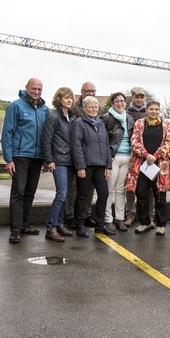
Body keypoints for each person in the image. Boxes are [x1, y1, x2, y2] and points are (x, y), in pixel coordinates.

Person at [2, 77, 49, 244]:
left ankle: (24, 224)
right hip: (20, 156)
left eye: (39, 89)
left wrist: (46, 158)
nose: (36, 92)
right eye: (33, 88)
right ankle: (15, 230)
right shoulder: (16, 106)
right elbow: (7, 133)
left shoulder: (44, 109)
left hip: (37, 158)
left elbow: (46, 136)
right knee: (18, 192)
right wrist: (9, 159)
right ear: (26, 88)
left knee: (30, 192)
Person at [125, 100, 170, 235]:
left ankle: (161, 224)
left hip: (160, 165)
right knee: (141, 194)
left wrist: (156, 155)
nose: (154, 112)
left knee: (160, 194)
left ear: (160, 111)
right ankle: (144, 222)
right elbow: (134, 142)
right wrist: (146, 155)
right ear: (146, 110)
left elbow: (169, 142)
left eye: (156, 109)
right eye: (151, 109)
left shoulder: (166, 124)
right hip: (142, 164)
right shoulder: (139, 123)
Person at [70, 96, 113, 238]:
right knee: (82, 195)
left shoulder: (100, 123)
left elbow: (106, 145)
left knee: (104, 194)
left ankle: (100, 226)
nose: (94, 109)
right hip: (86, 166)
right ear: (84, 108)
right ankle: (80, 225)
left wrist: (108, 165)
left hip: (100, 166)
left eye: (95, 106)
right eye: (90, 106)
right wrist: (80, 166)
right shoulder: (79, 123)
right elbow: (76, 146)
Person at [41, 87, 76, 242]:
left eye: (71, 98)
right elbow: (46, 140)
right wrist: (49, 160)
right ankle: (51, 228)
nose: (69, 100)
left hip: (70, 161)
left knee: (66, 194)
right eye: (66, 97)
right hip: (58, 161)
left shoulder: (71, 116)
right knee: (61, 193)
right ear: (59, 100)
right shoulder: (53, 117)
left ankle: (60, 224)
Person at [66, 81, 99, 229]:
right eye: (88, 91)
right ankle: (71, 215)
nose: (91, 93)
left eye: (93, 91)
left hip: (92, 157)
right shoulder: (73, 107)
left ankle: (85, 215)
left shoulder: (99, 108)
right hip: (76, 155)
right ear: (81, 91)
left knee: (89, 188)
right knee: (74, 188)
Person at [102, 92, 135, 234]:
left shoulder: (129, 118)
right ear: (112, 103)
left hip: (127, 157)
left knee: (121, 190)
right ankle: (108, 219)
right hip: (113, 157)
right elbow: (102, 140)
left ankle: (120, 218)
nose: (120, 103)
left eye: (122, 101)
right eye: (117, 101)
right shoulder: (106, 118)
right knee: (109, 190)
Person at [123, 86, 150, 227]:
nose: (139, 99)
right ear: (132, 97)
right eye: (137, 97)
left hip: (148, 156)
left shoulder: (150, 112)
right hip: (132, 154)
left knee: (149, 186)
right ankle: (130, 214)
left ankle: (149, 216)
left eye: (142, 97)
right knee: (131, 186)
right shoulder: (127, 113)